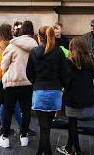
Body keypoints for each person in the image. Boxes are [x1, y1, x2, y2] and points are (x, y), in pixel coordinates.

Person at [0, 20, 38, 148]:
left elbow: (3, 65)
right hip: (28, 83)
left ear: (20, 31)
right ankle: (24, 137)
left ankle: (5, 138)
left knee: (8, 111)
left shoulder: (12, 45)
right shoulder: (36, 46)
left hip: (12, 83)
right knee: (26, 111)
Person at [26, 26, 67, 155]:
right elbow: (65, 73)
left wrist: (36, 83)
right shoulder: (59, 52)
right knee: (46, 127)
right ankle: (41, 152)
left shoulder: (34, 52)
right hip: (55, 92)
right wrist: (61, 86)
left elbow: (29, 73)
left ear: (39, 37)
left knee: (44, 127)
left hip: (40, 92)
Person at [56, 37, 93, 155]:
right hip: (84, 97)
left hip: (72, 97)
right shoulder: (89, 61)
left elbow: (65, 80)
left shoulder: (70, 62)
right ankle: (68, 147)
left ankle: (77, 150)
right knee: (73, 122)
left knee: (72, 124)